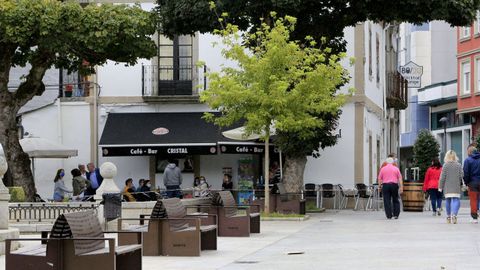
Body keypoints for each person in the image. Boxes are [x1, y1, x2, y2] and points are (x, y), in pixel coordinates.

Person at [439, 150, 464, 224]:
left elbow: (442, 177)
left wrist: (440, 187)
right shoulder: (458, 165)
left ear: (447, 157)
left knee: (448, 201)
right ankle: (454, 215)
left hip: (447, 187)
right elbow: (462, 175)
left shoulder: (445, 165)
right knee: (456, 200)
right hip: (456, 186)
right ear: (455, 156)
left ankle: (448, 217)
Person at [463, 145, 480, 223]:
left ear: (469, 152)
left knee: (473, 200)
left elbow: (466, 173)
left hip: (473, 183)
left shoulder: (468, 160)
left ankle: (474, 218)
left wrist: (466, 182)